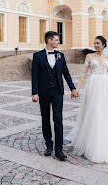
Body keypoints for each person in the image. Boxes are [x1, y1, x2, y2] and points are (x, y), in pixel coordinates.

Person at [66, 36, 108, 163]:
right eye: (94, 43)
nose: (95, 45)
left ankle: (106, 140)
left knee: (106, 113)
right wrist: (77, 89)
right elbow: (84, 74)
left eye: (98, 43)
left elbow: (107, 74)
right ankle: (90, 141)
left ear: (104, 45)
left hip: (106, 88)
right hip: (93, 86)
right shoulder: (89, 57)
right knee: (93, 112)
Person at [32, 31, 78, 161]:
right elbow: (34, 76)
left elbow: (66, 73)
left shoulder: (60, 55)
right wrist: (34, 93)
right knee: (45, 119)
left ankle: (59, 149)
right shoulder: (38, 56)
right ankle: (48, 145)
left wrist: (72, 88)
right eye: (56, 40)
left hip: (58, 92)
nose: (58, 42)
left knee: (58, 119)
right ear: (49, 40)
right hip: (43, 92)